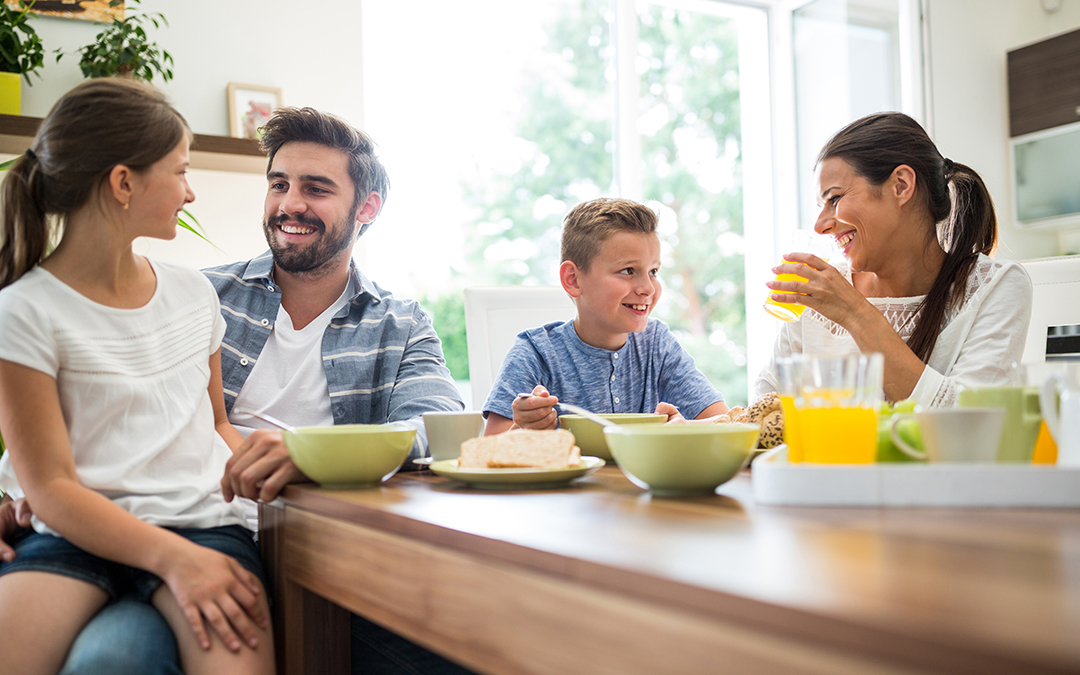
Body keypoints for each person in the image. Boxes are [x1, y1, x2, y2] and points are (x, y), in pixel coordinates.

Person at [0, 104, 471, 675]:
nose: (290, 203)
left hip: (310, 549)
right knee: (116, 658)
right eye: (279, 184)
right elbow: (97, 422)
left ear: (367, 207)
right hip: (177, 526)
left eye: (316, 188)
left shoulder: (399, 323)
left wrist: (311, 454)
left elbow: (434, 426)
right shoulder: (202, 294)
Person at [0, 78, 274, 674]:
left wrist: (284, 469)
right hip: (74, 533)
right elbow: (49, 488)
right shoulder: (24, 310)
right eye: (179, 171)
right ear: (123, 182)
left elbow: (218, 425)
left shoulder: (192, 293)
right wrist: (173, 562)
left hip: (204, 528)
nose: (191, 191)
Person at [756, 112, 1033, 408]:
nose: (820, 225)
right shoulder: (820, 293)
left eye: (834, 199)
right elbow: (766, 407)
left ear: (901, 185)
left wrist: (854, 312)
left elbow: (971, 426)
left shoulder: (995, 287)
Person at [484, 197, 729, 434]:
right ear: (573, 280)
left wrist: (687, 428)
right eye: (628, 270)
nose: (648, 288)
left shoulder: (657, 344)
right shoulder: (536, 352)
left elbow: (729, 422)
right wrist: (522, 430)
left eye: (653, 271)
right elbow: (488, 450)